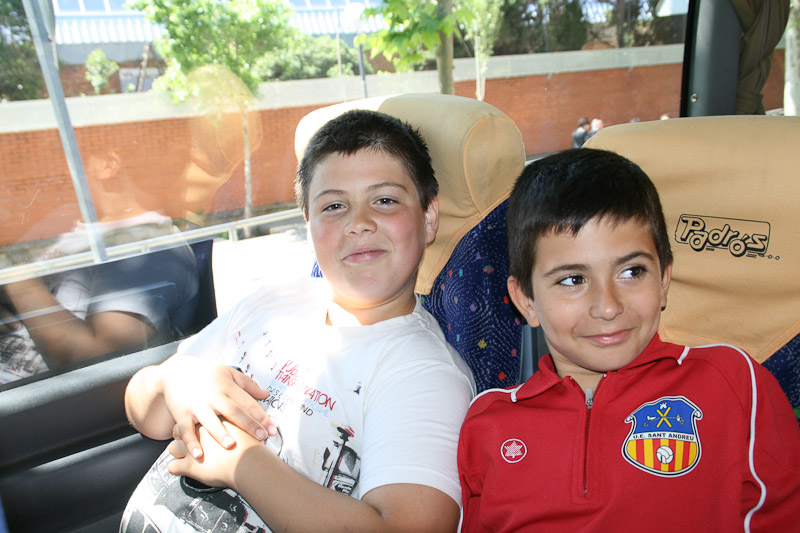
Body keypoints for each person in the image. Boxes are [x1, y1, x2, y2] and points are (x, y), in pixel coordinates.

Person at [120, 109, 476, 532]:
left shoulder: (423, 371)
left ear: (429, 218)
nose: (359, 223)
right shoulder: (269, 303)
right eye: (334, 206)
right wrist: (176, 378)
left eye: (384, 200)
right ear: (308, 227)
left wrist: (240, 463)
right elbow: (146, 413)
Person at [457, 148, 800, 531]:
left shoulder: (733, 384)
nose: (608, 306)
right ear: (526, 301)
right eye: (572, 279)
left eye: (632, 272)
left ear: (664, 280)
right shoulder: (487, 423)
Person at [0, 147, 199, 385]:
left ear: (108, 164)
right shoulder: (63, 217)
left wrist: (18, 280)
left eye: (59, 155)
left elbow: (98, 364)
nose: (43, 171)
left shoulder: (147, 245)